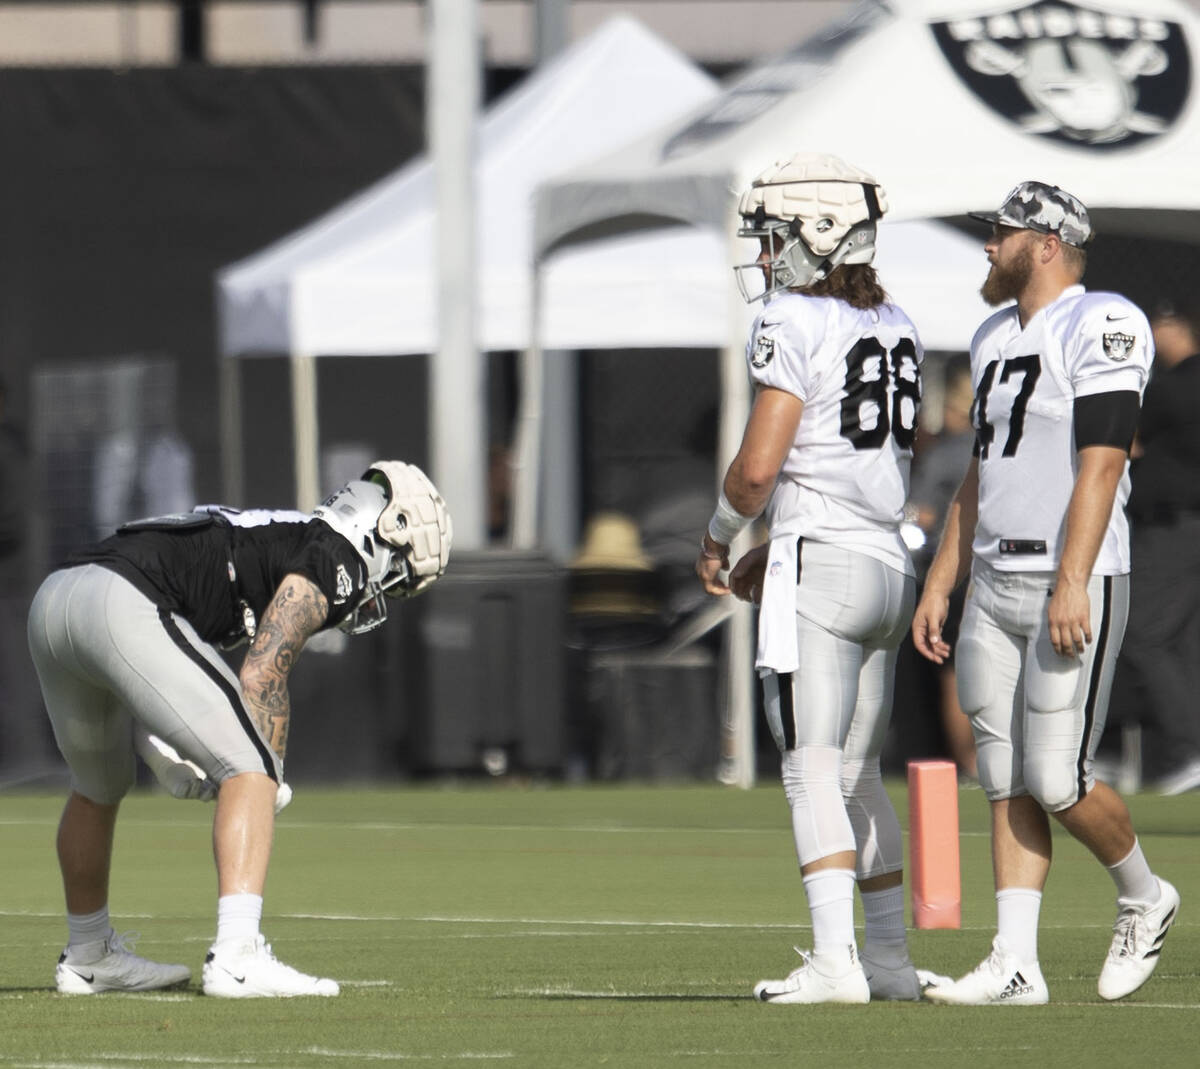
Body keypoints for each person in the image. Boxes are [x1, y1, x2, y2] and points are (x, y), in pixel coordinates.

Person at [27, 460, 451, 997]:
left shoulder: (275, 537)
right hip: (122, 600)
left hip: (59, 599)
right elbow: (264, 668)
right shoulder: (335, 553)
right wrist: (263, 775)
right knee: (251, 767)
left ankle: (88, 955)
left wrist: (162, 753)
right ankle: (238, 955)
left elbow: (142, 671)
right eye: (396, 574)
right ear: (385, 531)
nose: (381, 591)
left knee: (98, 786)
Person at [912, 181, 1177, 1006]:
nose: (988, 246)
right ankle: (1016, 962)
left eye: (1001, 232)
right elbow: (982, 473)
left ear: (1048, 242)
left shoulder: (1103, 319)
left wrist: (1072, 577)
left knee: (1057, 775)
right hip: (993, 574)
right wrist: (942, 578)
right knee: (1002, 775)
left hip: (1073, 574)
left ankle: (1144, 892)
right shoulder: (993, 335)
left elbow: (1102, 460)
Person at [696, 152, 929, 1004]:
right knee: (860, 775)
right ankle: (891, 960)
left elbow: (758, 469)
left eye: (770, 236)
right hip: (885, 561)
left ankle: (836, 962)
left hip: (823, 568)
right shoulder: (897, 320)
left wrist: (723, 535)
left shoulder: (792, 319)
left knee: (810, 768)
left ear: (816, 232)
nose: (762, 255)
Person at [1115, 296, 1200, 794]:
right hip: (1186, 531)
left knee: (1144, 634)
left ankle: (1190, 747)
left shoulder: (1171, 389)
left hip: (1171, 529)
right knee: (1185, 645)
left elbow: (1125, 441)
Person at [906, 357, 978, 780]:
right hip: (1003, 564)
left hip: (950, 570)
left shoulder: (946, 453)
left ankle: (968, 763)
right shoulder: (1001, 444)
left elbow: (922, 516)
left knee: (955, 671)